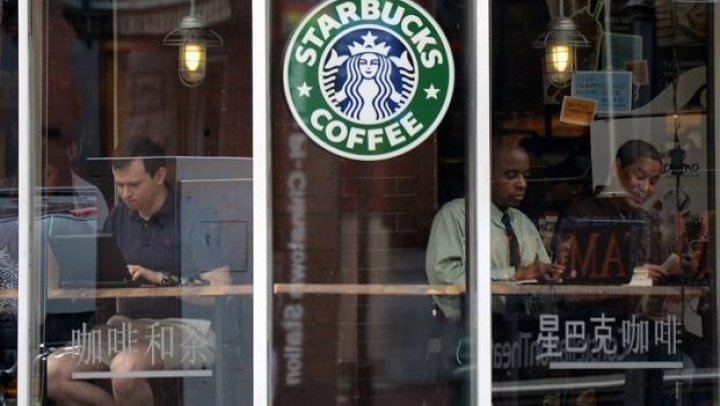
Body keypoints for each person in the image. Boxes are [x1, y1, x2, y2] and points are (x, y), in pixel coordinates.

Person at [46, 136, 230, 406]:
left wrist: (156, 277)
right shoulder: (119, 216)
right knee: (52, 372)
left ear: (160, 175)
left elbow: (219, 289)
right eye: (119, 185)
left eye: (134, 185)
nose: (124, 194)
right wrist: (83, 282)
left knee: (125, 369)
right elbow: (106, 275)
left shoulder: (194, 215)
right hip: (124, 327)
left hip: (187, 328)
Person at [425, 137, 561, 320]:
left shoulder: (522, 222)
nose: (522, 184)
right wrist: (513, 275)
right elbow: (445, 278)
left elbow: (540, 271)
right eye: (511, 175)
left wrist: (550, 275)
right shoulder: (454, 216)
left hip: (521, 326)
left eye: (525, 176)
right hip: (469, 327)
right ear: (486, 174)